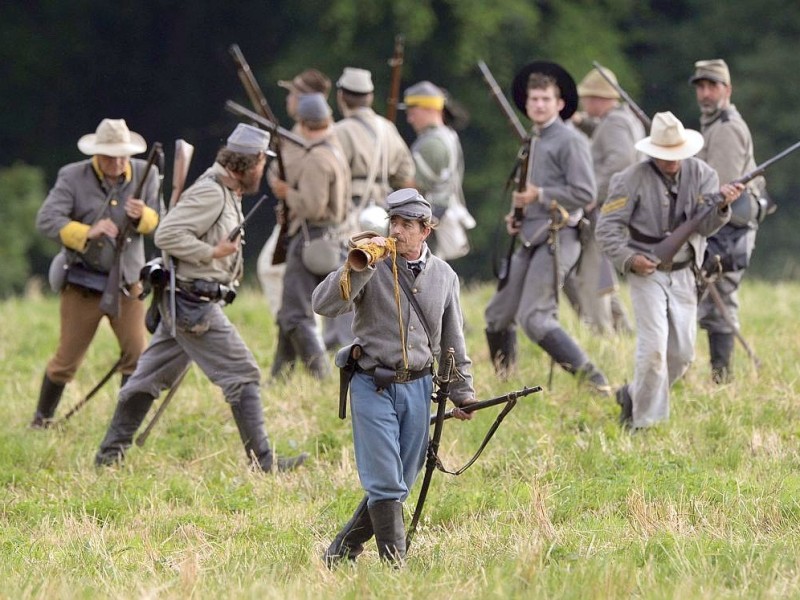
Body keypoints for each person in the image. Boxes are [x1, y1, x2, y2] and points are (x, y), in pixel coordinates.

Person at [94, 123, 307, 472]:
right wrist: (212, 252)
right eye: (260, 163)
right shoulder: (211, 192)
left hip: (186, 304)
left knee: (145, 380)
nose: (263, 170)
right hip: (193, 306)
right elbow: (167, 234)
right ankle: (264, 465)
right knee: (244, 374)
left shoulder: (226, 190)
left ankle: (107, 458)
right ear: (247, 162)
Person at [312, 188, 475, 567]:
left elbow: (452, 340)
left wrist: (462, 393)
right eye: (394, 222)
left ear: (425, 231)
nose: (397, 231)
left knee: (401, 479)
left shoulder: (445, 276)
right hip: (373, 382)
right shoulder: (370, 265)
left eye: (407, 225)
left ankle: (341, 550)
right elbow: (323, 305)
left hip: (419, 386)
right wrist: (355, 269)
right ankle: (394, 567)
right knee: (385, 481)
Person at [595, 111, 743, 429]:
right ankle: (644, 423)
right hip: (645, 273)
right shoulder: (628, 179)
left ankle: (633, 394)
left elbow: (705, 227)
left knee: (683, 354)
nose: (672, 161)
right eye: (665, 155)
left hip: (685, 271)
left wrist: (722, 206)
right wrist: (630, 259)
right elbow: (607, 229)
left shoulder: (703, 174)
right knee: (653, 352)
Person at [483, 62, 610, 393]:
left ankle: (594, 381)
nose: (538, 104)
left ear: (560, 104)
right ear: (526, 104)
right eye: (533, 99)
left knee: (535, 318)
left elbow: (585, 194)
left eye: (545, 99)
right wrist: (517, 215)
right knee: (497, 315)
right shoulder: (533, 140)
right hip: (529, 236)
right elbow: (526, 188)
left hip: (560, 235)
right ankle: (504, 385)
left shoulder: (571, 141)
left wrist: (541, 195)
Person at [31, 118, 159, 428]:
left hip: (128, 283)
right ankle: (41, 420)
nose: (116, 162)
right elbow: (47, 220)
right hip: (83, 283)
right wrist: (88, 231)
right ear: (96, 154)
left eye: (121, 156)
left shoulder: (147, 173)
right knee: (66, 361)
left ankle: (123, 427)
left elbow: (159, 221)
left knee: (136, 355)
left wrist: (143, 216)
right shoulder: (72, 176)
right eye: (109, 156)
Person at [690, 59, 766, 383]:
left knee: (715, 305)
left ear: (727, 89)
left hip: (729, 231)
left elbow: (717, 193)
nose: (706, 93)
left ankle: (722, 380)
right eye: (701, 87)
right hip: (725, 229)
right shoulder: (713, 124)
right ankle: (721, 379)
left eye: (713, 86)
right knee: (715, 304)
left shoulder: (726, 129)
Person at [269, 93, 351, 379]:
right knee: (288, 313)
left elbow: (314, 206)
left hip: (309, 238)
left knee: (294, 314)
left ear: (303, 123)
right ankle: (280, 377)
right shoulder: (333, 148)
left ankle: (322, 375)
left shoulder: (317, 157)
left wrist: (286, 193)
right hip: (322, 238)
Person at [568, 66, 644, 335]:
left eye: (588, 98)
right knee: (601, 275)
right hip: (617, 209)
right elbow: (603, 133)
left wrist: (591, 193)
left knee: (591, 278)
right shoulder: (619, 120)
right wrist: (581, 122)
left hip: (608, 209)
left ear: (600, 99)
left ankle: (603, 338)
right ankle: (623, 332)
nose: (584, 103)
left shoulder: (615, 123)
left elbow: (620, 160)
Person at [257, 68, 333, 318]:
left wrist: (288, 194)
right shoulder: (310, 134)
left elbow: (283, 175)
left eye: (293, 94)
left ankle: (295, 331)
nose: (288, 99)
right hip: (299, 216)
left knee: (276, 272)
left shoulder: (310, 137)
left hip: (309, 221)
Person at [401, 81, 475, 260]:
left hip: (429, 216)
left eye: (413, 112)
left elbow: (412, 187)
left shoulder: (431, 143)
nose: (410, 119)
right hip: (438, 214)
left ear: (429, 108)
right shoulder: (448, 135)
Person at [333, 66, 415, 223]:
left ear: (341, 96)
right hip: (383, 214)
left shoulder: (338, 131)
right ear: (369, 97)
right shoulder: (388, 128)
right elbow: (406, 177)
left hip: (349, 213)